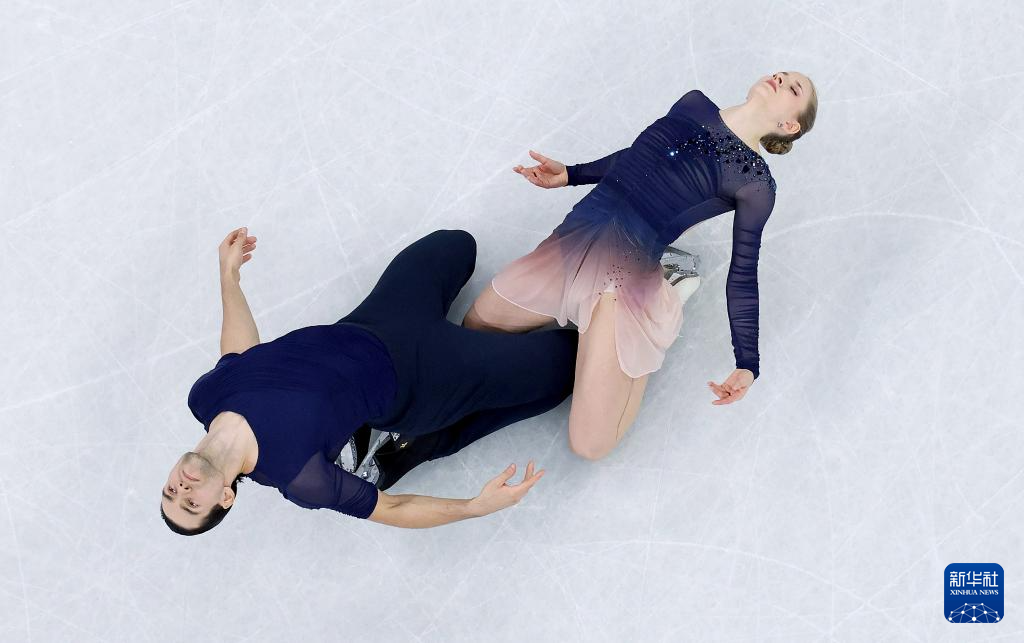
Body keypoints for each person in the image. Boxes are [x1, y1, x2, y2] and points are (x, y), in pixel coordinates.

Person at [464, 72, 818, 460]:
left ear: (789, 126)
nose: (780, 78)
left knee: (590, 445)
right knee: (476, 325)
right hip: (570, 246)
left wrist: (747, 363)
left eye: (793, 88)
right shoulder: (694, 104)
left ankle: (668, 291)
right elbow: (635, 157)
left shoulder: (755, 183)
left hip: (621, 284)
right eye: (782, 73)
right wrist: (571, 174)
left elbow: (744, 272)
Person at [161, 227, 579, 535]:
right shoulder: (297, 475)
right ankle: (451, 419)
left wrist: (229, 276)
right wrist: (475, 507)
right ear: (225, 497)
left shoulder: (204, 398)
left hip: (377, 321)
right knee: (566, 361)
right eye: (191, 503)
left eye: (170, 492)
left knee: (457, 245)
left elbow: (240, 357)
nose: (181, 489)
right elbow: (393, 508)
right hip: (424, 380)